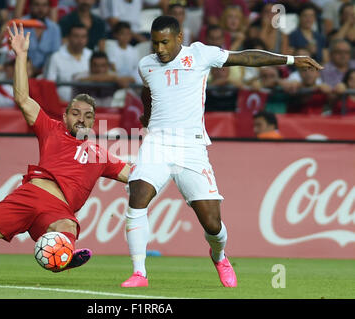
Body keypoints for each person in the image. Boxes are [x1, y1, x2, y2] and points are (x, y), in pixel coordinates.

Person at [120, 15, 322, 288]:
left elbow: (246, 58)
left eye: (165, 42)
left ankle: (220, 256)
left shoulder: (201, 54)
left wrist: (290, 60)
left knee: (212, 224)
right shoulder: (147, 65)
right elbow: (149, 92)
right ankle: (139, 273)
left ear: (180, 38)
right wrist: (147, 116)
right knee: (138, 197)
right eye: (155, 43)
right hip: (156, 142)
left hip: (191, 147)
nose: (160, 49)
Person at [0, 22, 131, 281]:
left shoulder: (101, 154)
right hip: (29, 196)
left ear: (93, 121)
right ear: (65, 116)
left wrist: (171, 165)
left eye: (88, 116)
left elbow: (134, 174)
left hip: (57, 211)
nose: (82, 119)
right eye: (75, 113)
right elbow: (23, 98)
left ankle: (63, 256)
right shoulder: (51, 129)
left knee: (67, 225)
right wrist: (21, 56)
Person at [44, 22, 92, 103]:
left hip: (89, 105)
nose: (80, 40)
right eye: (76, 36)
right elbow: (49, 86)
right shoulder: (56, 57)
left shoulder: (91, 55)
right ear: (68, 37)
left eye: (83, 37)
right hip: (62, 105)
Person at [22, 0, 62, 75]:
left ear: (49, 8)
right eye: (37, 5)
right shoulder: (19, 25)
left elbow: (55, 55)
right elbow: (12, 53)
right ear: (30, 6)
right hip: (22, 71)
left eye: (44, 5)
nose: (41, 9)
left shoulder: (54, 28)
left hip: (47, 73)